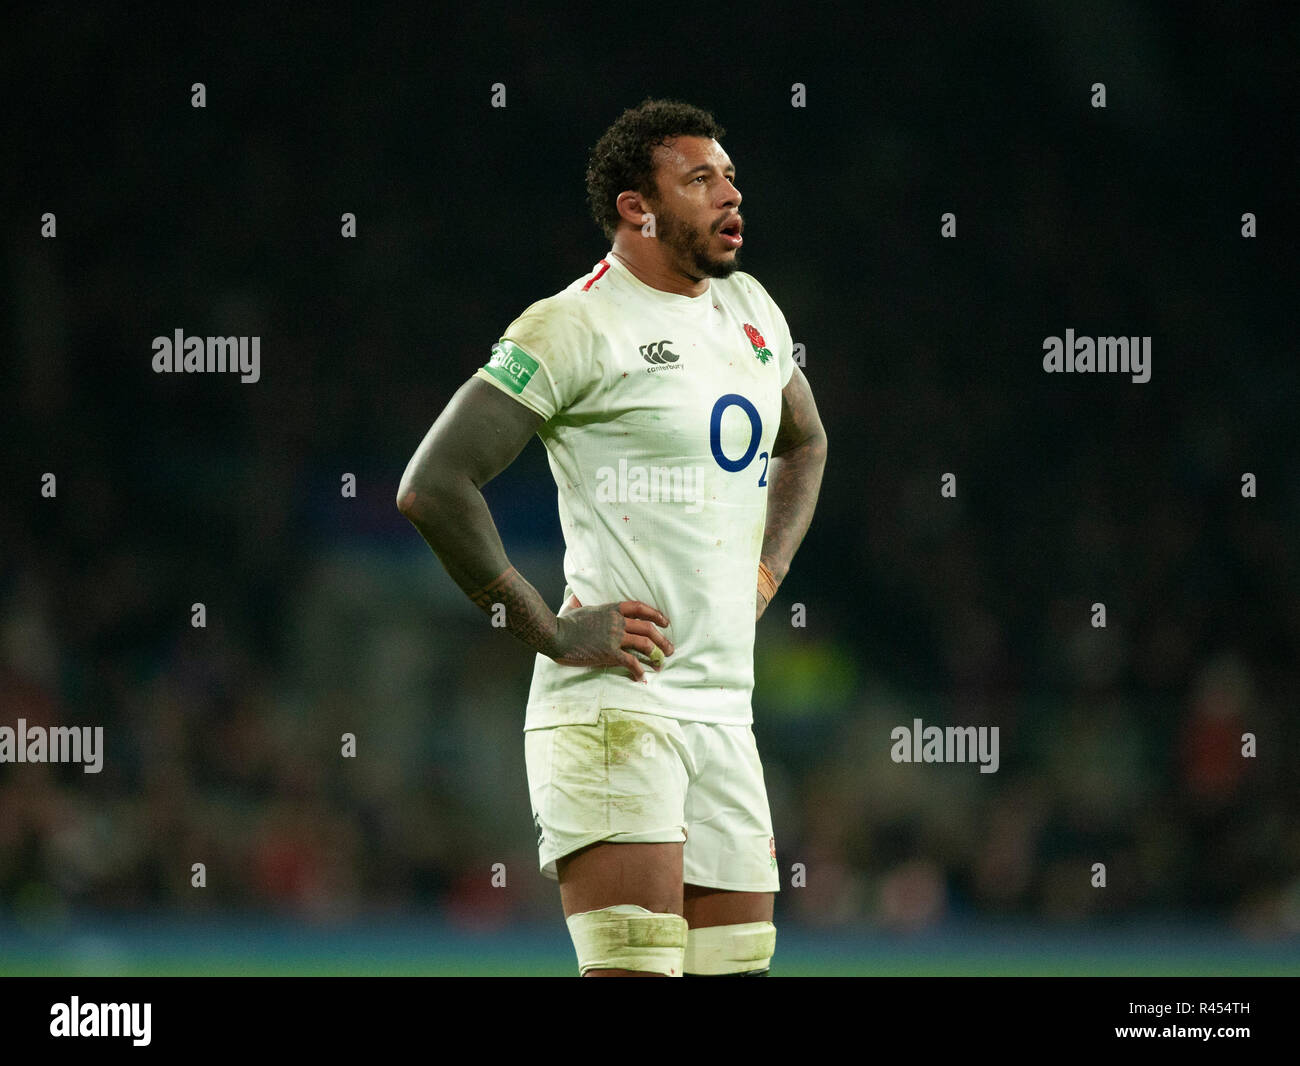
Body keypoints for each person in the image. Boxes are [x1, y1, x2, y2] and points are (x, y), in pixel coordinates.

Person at [397, 98, 826, 976]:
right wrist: (545, 628)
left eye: (731, 176)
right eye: (700, 179)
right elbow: (432, 486)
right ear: (638, 207)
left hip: (723, 716)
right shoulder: (574, 324)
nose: (729, 194)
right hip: (616, 710)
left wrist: (769, 569)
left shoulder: (751, 310)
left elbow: (807, 443)